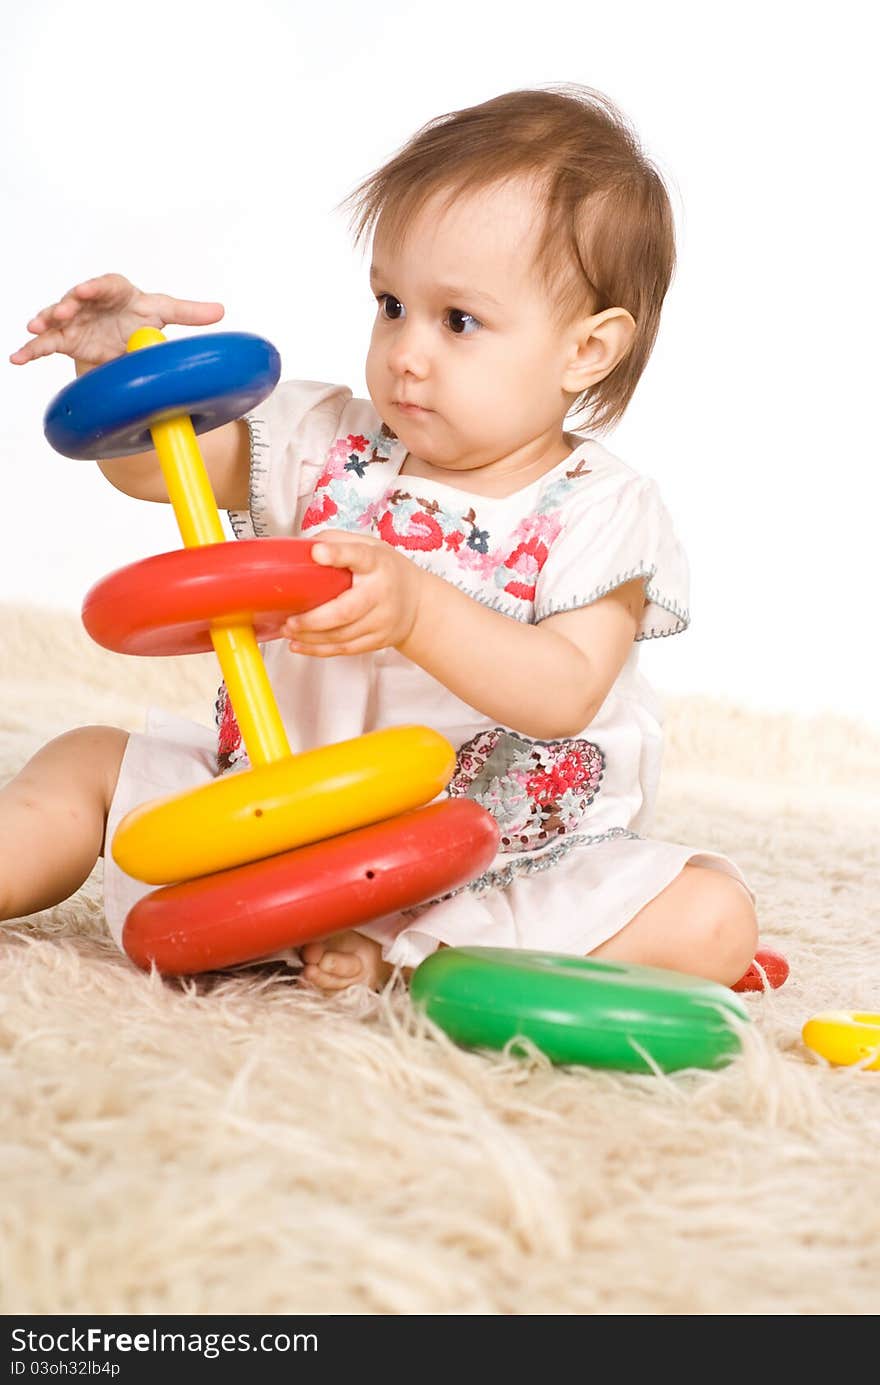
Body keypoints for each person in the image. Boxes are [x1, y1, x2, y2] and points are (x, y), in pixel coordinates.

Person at [6, 84, 759, 994]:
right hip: (270, 819)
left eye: (459, 320)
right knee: (86, 759)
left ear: (586, 351)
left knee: (715, 916)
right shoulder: (334, 440)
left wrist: (417, 608)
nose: (407, 349)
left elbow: (563, 691)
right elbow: (158, 466)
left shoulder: (602, 507)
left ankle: (418, 960)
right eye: (391, 303)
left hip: (485, 865)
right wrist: (125, 365)